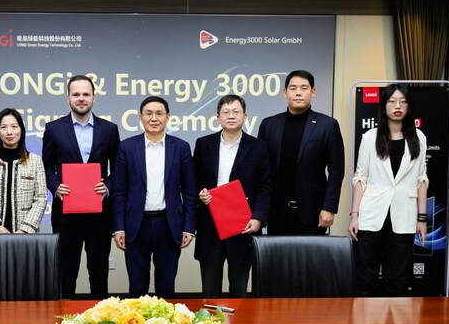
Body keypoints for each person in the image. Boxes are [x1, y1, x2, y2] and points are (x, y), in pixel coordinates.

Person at [42, 75, 120, 300]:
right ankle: (64, 319)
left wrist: (107, 187)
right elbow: (46, 165)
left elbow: (118, 169)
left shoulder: (109, 129)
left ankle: (101, 319)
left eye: (86, 94)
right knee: (66, 271)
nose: (81, 98)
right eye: (76, 94)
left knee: (99, 271)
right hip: (66, 213)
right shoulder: (54, 128)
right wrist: (55, 186)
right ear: (68, 98)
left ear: (94, 98)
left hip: (99, 214)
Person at [112, 96, 196, 298]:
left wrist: (189, 227)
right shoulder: (127, 147)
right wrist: (118, 227)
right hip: (136, 225)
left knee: (166, 288)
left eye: (159, 113)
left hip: (169, 224)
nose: (154, 118)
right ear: (140, 118)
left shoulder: (181, 147)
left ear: (168, 117)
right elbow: (119, 191)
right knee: (137, 288)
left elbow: (189, 191)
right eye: (148, 113)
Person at [349, 83, 428, 296]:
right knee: (365, 279)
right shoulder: (370, 137)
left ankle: (395, 319)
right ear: (384, 106)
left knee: (398, 281)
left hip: (404, 216)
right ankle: (364, 319)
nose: (397, 106)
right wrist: (354, 215)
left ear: (409, 106)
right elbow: (360, 178)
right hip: (371, 216)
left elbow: (421, 179)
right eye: (392, 101)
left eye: (403, 101)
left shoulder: (419, 138)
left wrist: (422, 218)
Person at [193, 95, 271, 298]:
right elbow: (195, 178)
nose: (231, 116)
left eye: (236, 112)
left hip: (242, 224)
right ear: (218, 117)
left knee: (239, 290)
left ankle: (240, 321)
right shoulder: (203, 144)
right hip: (211, 224)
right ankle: (210, 320)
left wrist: (258, 218)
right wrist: (201, 191)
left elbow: (264, 186)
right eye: (226, 112)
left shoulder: (258, 147)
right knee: (210, 289)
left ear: (245, 116)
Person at [258, 70, 344, 235]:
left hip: (313, 213)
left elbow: (336, 171)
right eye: (293, 88)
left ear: (313, 92)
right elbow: (261, 171)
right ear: (285, 92)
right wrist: (260, 210)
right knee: (277, 253)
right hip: (276, 213)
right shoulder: (268, 125)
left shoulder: (328, 125)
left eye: (304, 88)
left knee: (311, 254)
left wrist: (329, 207)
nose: (298, 93)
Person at [0, 108, 46, 234]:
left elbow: (41, 199)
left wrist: (24, 230)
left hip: (25, 237)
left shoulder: (35, 161)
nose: (9, 132)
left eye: (14, 127)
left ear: (21, 130)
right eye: (3, 127)